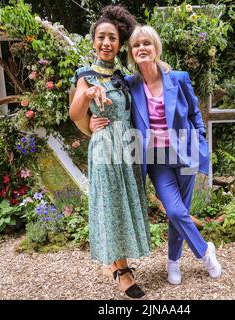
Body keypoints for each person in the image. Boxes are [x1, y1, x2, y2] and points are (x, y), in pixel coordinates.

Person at [89, 25, 222, 285]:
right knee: (174, 211)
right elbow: (110, 103)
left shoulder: (179, 78)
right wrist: (91, 121)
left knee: (180, 212)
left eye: (146, 44)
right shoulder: (129, 84)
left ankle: (173, 261)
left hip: (184, 154)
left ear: (156, 48)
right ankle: (205, 252)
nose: (141, 48)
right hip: (157, 160)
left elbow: (195, 114)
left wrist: (200, 143)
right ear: (131, 53)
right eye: (136, 45)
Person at [69, 6, 150, 299]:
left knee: (125, 202)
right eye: (101, 37)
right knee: (111, 205)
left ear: (119, 43)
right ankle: (122, 271)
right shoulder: (85, 75)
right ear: (93, 41)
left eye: (112, 38)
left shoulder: (122, 76)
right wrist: (88, 95)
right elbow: (75, 112)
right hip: (104, 149)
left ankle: (118, 261)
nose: (106, 43)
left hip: (126, 147)